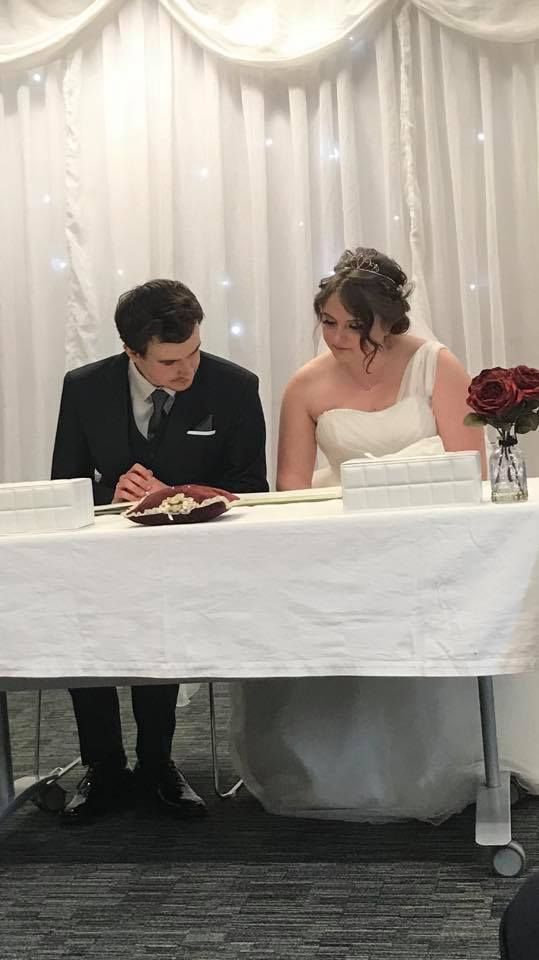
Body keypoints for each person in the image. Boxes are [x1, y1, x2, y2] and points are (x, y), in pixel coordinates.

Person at [229, 246, 492, 821]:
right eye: (328, 322)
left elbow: (470, 468)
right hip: (341, 540)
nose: (338, 337)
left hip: (428, 537)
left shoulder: (435, 365)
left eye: (355, 325)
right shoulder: (306, 385)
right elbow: (293, 488)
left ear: (388, 320)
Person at [51, 278, 268, 823]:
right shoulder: (85, 388)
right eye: (171, 362)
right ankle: (101, 765)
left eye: (194, 351)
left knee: (158, 615)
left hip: (196, 558)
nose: (187, 371)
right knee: (83, 615)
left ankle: (157, 763)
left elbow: (254, 485)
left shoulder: (234, 387)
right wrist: (112, 492)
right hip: (104, 559)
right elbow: (65, 484)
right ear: (131, 351)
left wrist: (174, 496)